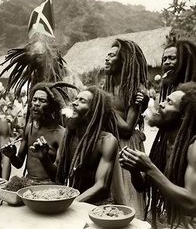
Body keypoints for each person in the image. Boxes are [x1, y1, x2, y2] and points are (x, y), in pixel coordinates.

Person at [120, 82, 196, 228]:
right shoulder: (162, 143)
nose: (160, 104)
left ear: (182, 116)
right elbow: (142, 186)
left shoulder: (193, 146)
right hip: (161, 219)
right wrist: (134, 168)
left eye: (169, 102)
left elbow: (192, 203)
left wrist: (149, 167)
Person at [33, 86, 125, 204]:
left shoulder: (107, 141)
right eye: (76, 99)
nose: (74, 103)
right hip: (74, 202)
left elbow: (101, 185)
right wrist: (44, 158)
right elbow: (58, 176)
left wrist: (70, 203)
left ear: (93, 111)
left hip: (98, 207)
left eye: (82, 101)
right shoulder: (68, 137)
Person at [104, 38, 148, 218]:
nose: (106, 58)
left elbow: (127, 128)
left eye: (112, 55)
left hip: (125, 148)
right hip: (109, 144)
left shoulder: (135, 89)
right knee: (109, 202)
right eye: (107, 54)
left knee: (127, 201)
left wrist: (105, 104)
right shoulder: (107, 86)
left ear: (124, 61)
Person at [2, 82, 76, 183]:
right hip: (28, 183)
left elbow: (58, 177)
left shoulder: (61, 134)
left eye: (42, 101)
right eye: (34, 99)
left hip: (49, 187)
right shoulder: (29, 128)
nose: (36, 103)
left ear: (52, 106)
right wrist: (11, 155)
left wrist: (44, 158)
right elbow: (19, 164)